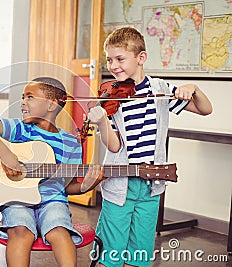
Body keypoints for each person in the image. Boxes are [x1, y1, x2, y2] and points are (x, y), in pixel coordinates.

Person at [86, 26, 212, 267]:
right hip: (119, 184)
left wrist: (194, 89)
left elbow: (205, 109)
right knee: (110, 253)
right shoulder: (112, 97)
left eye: (120, 59)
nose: (113, 66)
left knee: (140, 253)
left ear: (140, 58)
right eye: (109, 60)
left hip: (151, 185)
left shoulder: (160, 90)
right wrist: (102, 120)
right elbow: (113, 147)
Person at [0, 77, 100, 267]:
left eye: (30, 97)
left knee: (59, 229)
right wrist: (6, 156)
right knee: (21, 230)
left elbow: (69, 186)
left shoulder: (71, 143)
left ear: (51, 105)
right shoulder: (19, 129)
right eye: (23, 97)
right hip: (18, 199)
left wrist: (87, 185)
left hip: (53, 200)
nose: (23, 102)